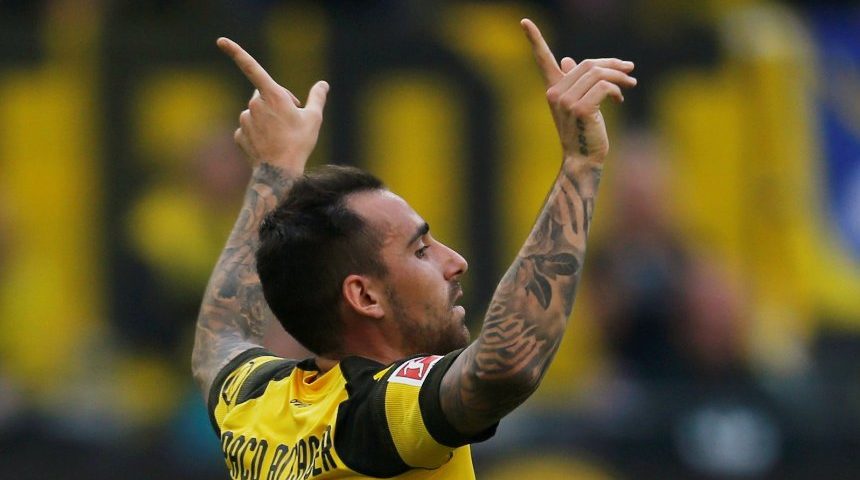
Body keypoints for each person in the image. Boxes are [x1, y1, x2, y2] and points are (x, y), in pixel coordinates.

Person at [191, 19, 636, 479]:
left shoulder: (255, 406)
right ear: (364, 296)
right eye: (420, 251)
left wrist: (276, 168)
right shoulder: (376, 414)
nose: (456, 262)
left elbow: (219, 339)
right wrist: (581, 163)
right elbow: (505, 366)